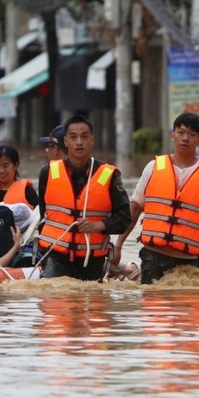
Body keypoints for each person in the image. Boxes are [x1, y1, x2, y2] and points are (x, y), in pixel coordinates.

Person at [113, 112, 199, 284]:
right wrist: (118, 245)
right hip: (153, 255)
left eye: (192, 135)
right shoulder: (154, 167)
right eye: (181, 132)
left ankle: (131, 270)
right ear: (173, 135)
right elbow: (134, 209)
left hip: (188, 260)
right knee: (154, 305)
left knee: (188, 306)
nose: (185, 138)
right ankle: (133, 270)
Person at [36, 115, 130, 280]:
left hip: (92, 259)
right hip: (55, 255)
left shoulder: (109, 174)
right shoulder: (48, 172)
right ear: (65, 141)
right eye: (73, 137)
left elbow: (124, 218)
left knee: (92, 301)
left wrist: (97, 226)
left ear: (92, 140)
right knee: (53, 297)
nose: (79, 142)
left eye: (84, 137)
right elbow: (44, 216)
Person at [0, 145, 39, 210]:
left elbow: (38, 216)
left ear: (15, 166)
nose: (1, 171)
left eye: (5, 166)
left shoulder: (28, 192)